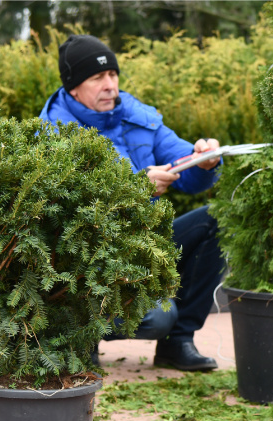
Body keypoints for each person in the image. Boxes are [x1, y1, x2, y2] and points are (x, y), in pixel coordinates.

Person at [39, 34, 225, 371]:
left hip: (143, 246)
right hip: (88, 257)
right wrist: (136, 189)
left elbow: (186, 169)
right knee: (156, 316)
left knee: (218, 219)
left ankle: (178, 343)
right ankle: (78, 335)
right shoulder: (54, 130)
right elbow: (64, 212)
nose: (109, 85)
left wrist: (204, 160)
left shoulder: (138, 116)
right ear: (73, 88)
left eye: (113, 75)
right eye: (97, 78)